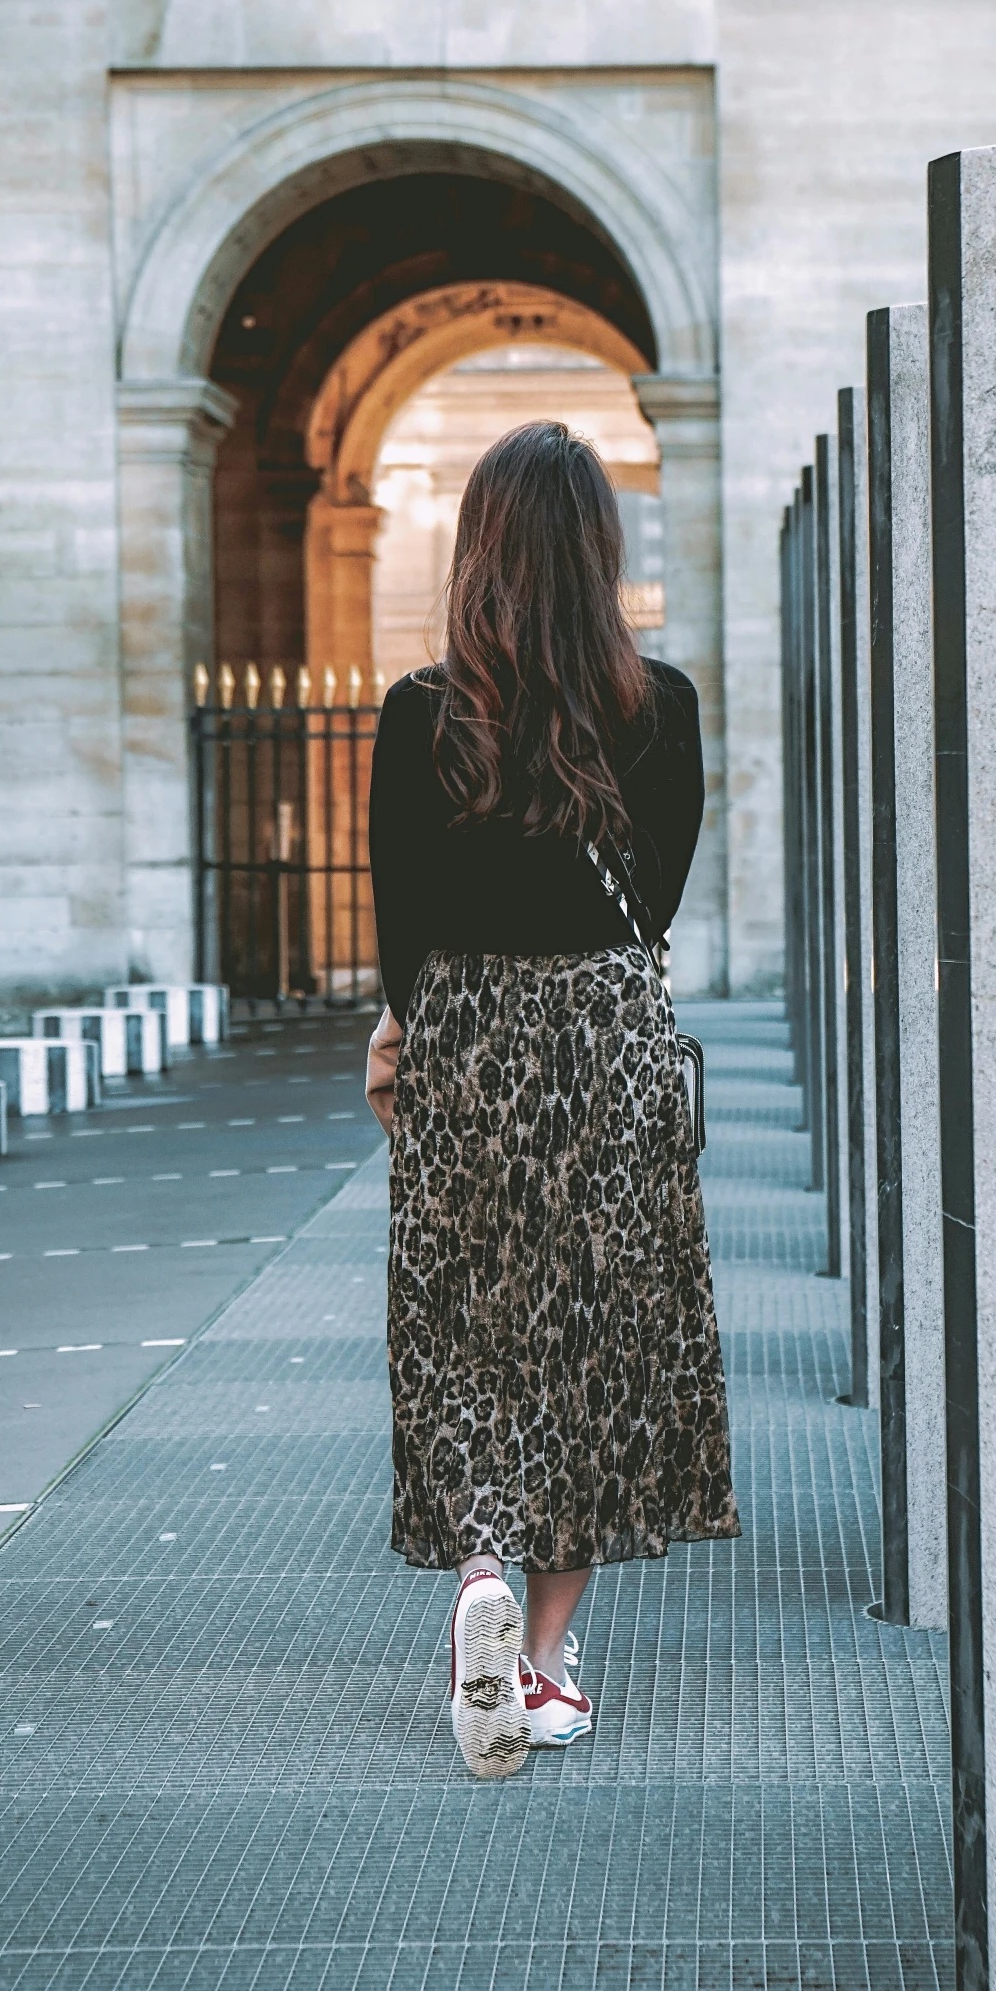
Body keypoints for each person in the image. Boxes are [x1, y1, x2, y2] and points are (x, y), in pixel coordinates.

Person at [364, 418, 740, 1780]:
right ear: (599, 555)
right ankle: (542, 1660)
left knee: (464, 1324)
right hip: (605, 1045)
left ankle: (479, 1563)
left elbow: (397, 918)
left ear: (480, 550)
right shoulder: (665, 708)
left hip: (466, 1037)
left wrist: (419, 1022)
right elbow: (665, 899)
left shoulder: (419, 713)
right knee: (600, 1349)